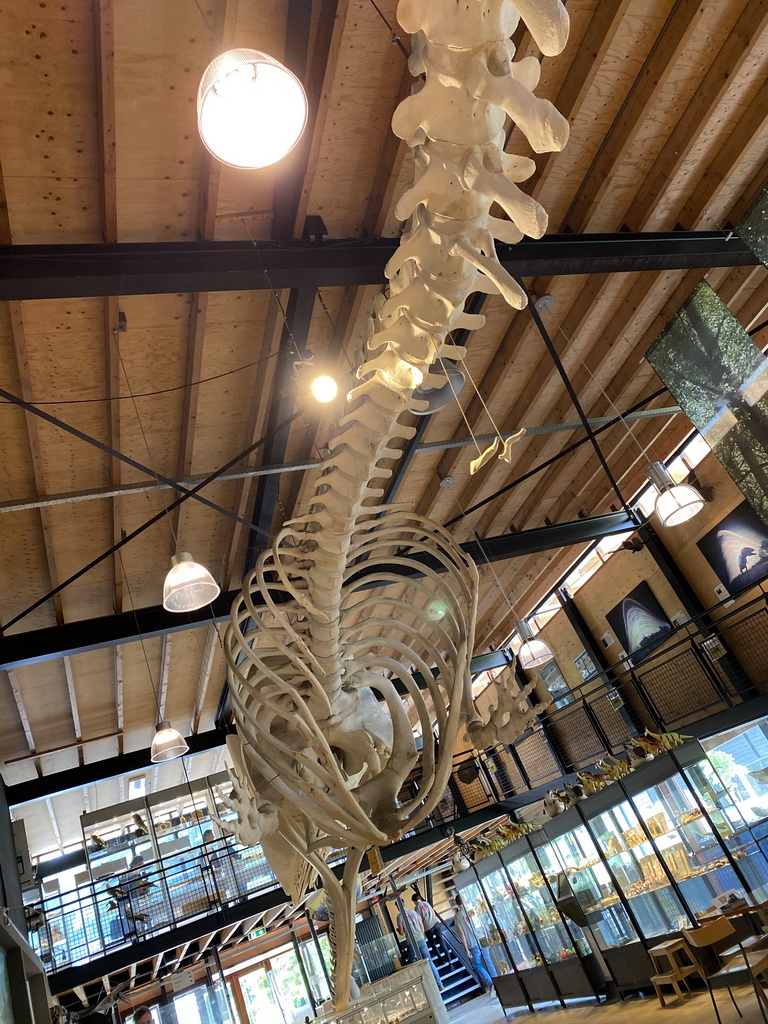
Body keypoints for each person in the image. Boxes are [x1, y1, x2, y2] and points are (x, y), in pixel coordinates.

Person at [396, 900, 444, 990]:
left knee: (413, 960)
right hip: (421, 939)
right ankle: (439, 983)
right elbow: (421, 926)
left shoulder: (399, 917)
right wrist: (422, 935)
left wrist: (398, 930)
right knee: (429, 961)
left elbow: (402, 933)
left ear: (398, 907)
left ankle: (424, 981)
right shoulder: (414, 912)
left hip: (411, 942)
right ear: (404, 904)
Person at [453, 892, 495, 994]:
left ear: (457, 904)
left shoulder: (457, 917)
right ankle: (497, 980)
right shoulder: (472, 911)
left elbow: (462, 934)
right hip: (482, 937)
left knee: (477, 965)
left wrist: (466, 949)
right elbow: (481, 925)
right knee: (488, 960)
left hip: (472, 943)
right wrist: (486, 936)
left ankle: (491, 982)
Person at [412, 893, 450, 963]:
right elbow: (433, 911)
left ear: (414, 901)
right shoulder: (426, 903)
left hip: (428, 928)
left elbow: (420, 920)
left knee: (433, 944)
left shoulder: (417, 908)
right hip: (436, 923)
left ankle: (441, 960)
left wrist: (423, 932)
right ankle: (449, 959)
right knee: (441, 942)